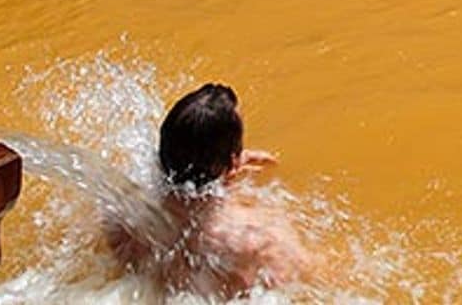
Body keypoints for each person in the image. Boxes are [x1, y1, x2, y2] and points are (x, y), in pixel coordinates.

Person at [106, 84, 316, 297]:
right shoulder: (259, 238)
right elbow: (311, 282)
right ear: (233, 165)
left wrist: (227, 168)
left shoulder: (123, 217)